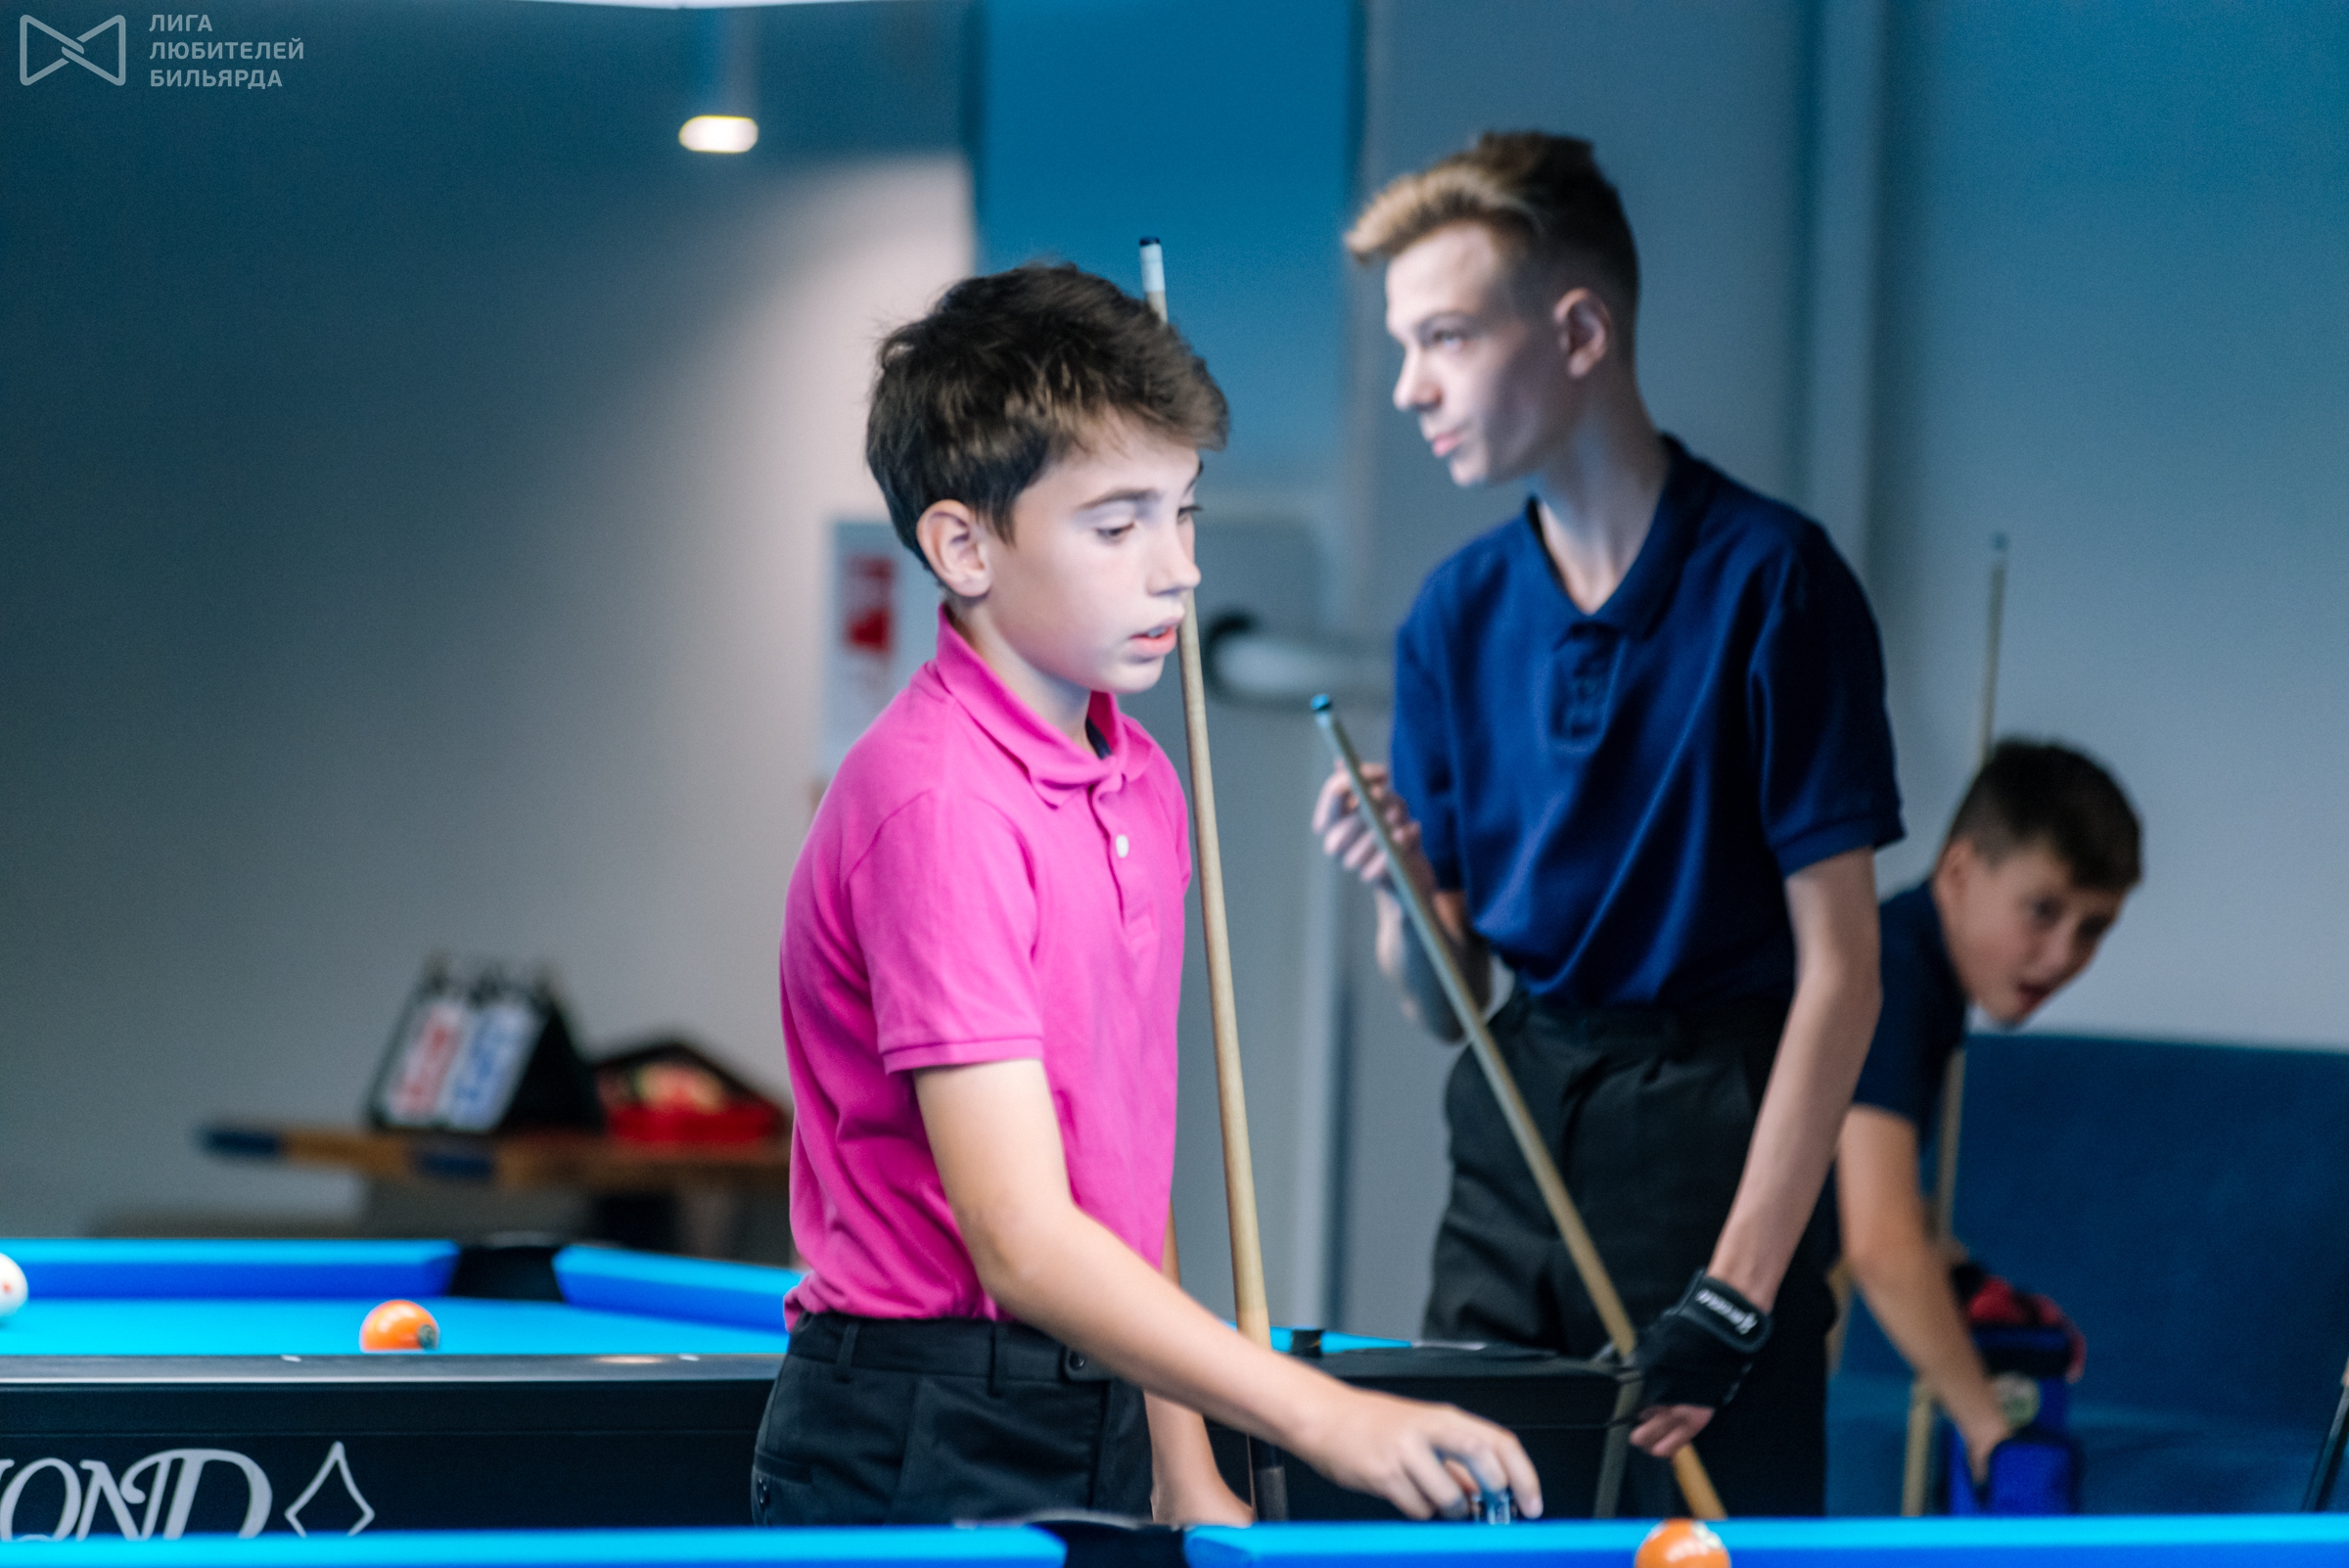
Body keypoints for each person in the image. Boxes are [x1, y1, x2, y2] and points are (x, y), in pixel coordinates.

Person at [756, 263, 1542, 1529]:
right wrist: (1320, 1412)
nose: (1177, 569)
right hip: (921, 1425)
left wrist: (1185, 1467)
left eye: (1184, 512)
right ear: (963, 545)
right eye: (1117, 527)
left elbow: (1117, 1175)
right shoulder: (938, 806)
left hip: (1101, 1390)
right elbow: (1020, 1237)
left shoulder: (1142, 781)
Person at [1313, 131, 1902, 1516]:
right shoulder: (1453, 615)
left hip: (1711, 1140)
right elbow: (1448, 1001)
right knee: (1468, 1533)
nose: (1410, 387)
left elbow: (1845, 975)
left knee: (1689, 1551)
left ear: (1580, 332)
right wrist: (1400, 888)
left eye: (1446, 337)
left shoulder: (1776, 583)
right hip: (1513, 1135)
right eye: (1403, 346)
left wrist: (1738, 1293)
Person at [1837, 741, 2140, 1487]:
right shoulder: (1892, 973)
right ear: (1959, 873)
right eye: (2043, 911)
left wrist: (1970, 1283)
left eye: (2092, 927)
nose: (2061, 954)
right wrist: (1988, 1429)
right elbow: (1879, 1244)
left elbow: (1857, 1188)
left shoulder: (1917, 967)